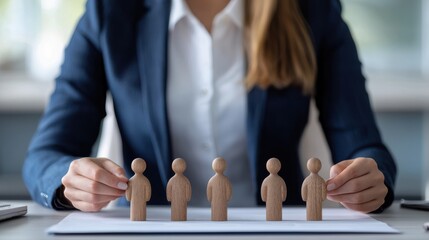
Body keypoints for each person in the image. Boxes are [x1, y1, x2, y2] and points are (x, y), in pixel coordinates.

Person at [23, 0, 397, 213]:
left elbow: (367, 149)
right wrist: (68, 179)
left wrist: (371, 178)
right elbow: (46, 154)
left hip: (278, 230)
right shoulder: (110, 13)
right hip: (147, 231)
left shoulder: (313, 12)